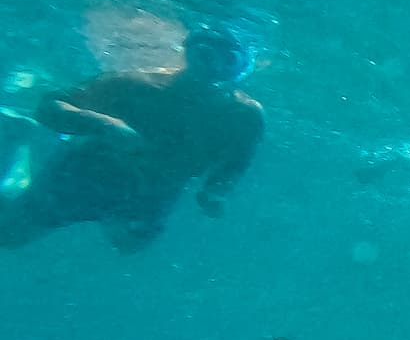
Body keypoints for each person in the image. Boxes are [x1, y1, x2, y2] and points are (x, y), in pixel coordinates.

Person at [0, 27, 263, 253]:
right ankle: (19, 142)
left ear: (243, 67)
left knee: (130, 246)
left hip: (154, 190)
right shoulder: (135, 85)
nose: (213, 70)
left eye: (228, 60)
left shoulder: (246, 116)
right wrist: (105, 124)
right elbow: (49, 108)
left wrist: (216, 190)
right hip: (86, 173)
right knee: (9, 236)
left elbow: (237, 160)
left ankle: (22, 143)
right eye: (204, 56)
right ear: (189, 53)